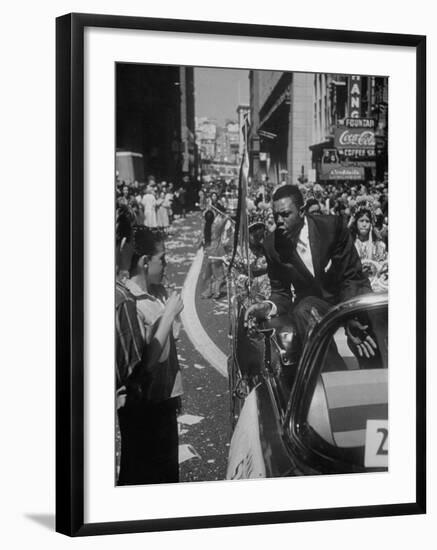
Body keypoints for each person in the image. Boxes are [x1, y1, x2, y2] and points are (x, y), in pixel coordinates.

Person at [246, 184, 376, 360]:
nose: (279, 221)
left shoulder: (332, 227)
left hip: (349, 295)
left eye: (285, 214)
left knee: (371, 328)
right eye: (276, 215)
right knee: (303, 310)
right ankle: (331, 376)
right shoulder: (272, 246)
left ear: (301, 211)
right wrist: (268, 306)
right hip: (315, 306)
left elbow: (351, 276)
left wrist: (350, 315)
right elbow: (281, 293)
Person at [119, 226, 184, 485]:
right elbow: (145, 362)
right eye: (162, 260)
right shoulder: (132, 302)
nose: (166, 265)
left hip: (164, 401)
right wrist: (167, 314)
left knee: (167, 474)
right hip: (146, 409)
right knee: (146, 477)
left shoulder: (155, 293)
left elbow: (173, 338)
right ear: (145, 262)